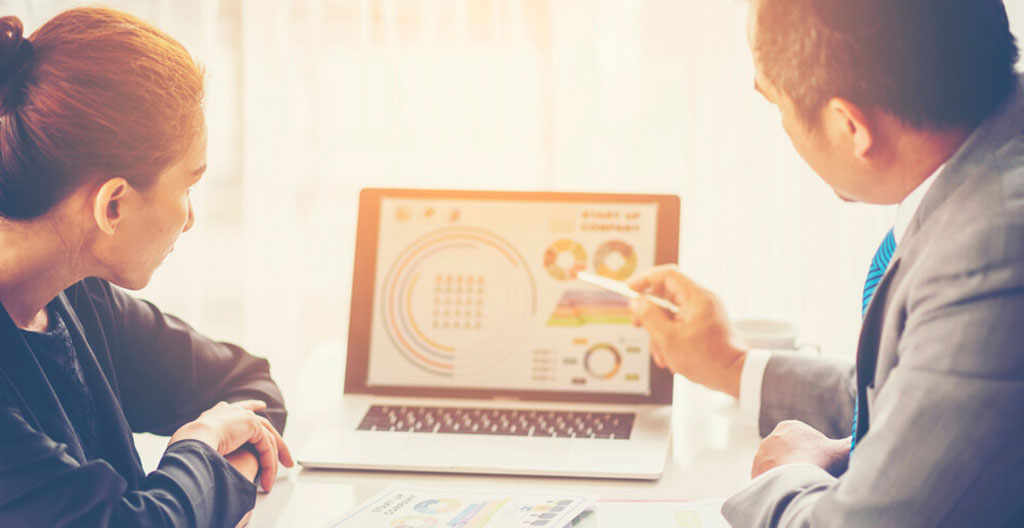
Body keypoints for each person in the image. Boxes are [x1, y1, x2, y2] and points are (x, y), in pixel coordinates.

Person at [629, 0, 1024, 526]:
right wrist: (729, 364)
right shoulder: (992, 150)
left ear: (849, 126)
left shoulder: (989, 253)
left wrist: (784, 472)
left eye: (776, 102)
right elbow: (918, 391)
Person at [0, 7, 292, 527]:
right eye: (187, 185)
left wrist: (215, 485)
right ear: (112, 205)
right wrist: (203, 446)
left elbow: (249, 384)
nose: (190, 218)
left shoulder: (73, 296)